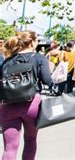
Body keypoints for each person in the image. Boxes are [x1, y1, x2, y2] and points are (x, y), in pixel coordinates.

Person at [0, 31, 52, 160]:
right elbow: (47, 80)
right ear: (33, 42)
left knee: (9, 148)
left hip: (8, 105)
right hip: (32, 104)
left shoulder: (7, 60)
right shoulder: (39, 58)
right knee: (30, 140)